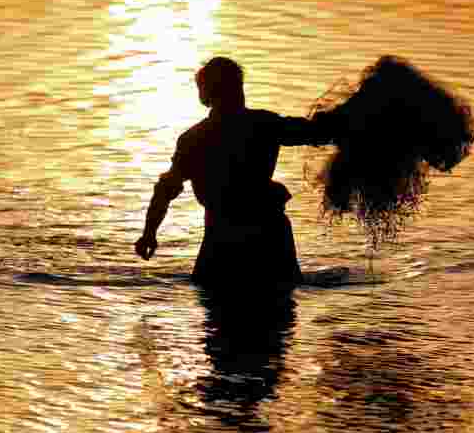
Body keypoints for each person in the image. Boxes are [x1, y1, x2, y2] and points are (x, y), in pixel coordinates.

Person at [134, 57, 339, 290]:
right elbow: (317, 133)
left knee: (218, 309)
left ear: (205, 94)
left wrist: (149, 233)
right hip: (265, 237)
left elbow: (166, 189)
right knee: (277, 309)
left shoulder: (194, 138)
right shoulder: (264, 124)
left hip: (224, 239)